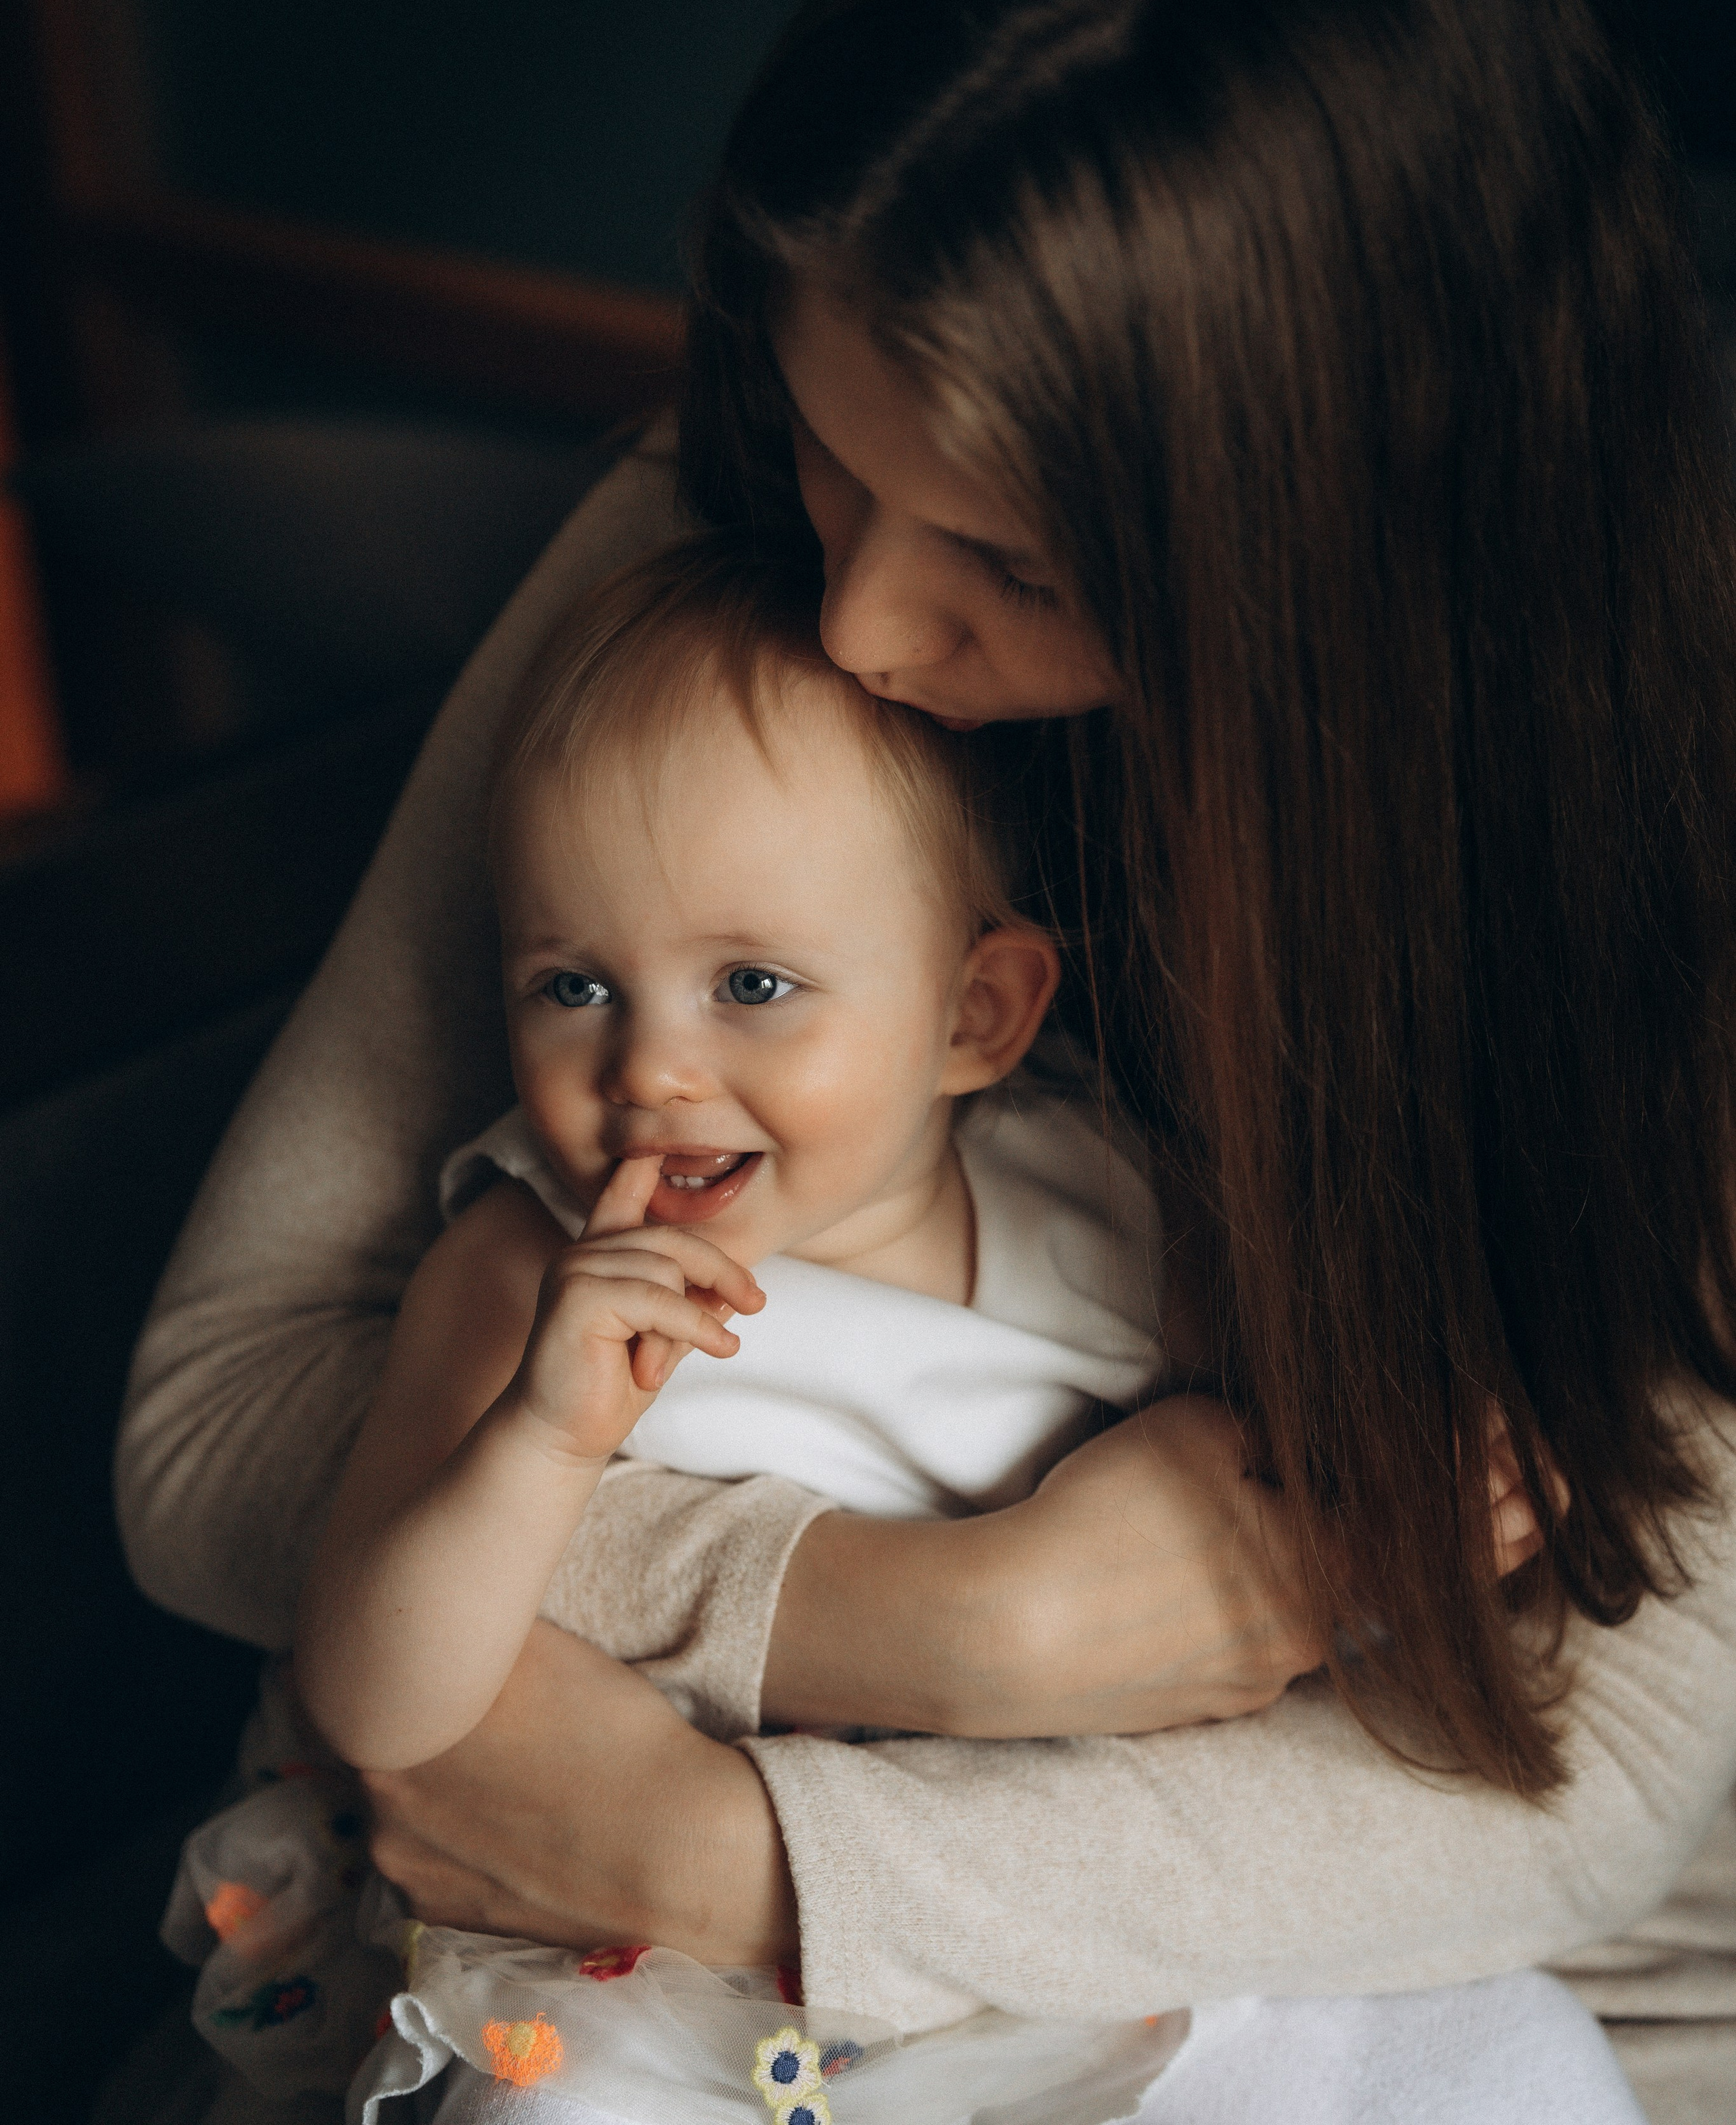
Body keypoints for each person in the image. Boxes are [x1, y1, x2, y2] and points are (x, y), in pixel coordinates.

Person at [118, 0, 1736, 2125]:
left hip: (1449, 1969)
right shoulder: (725, 574)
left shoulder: (1653, 838)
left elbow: (1589, 1785)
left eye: (1018, 566)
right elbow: (216, 1422)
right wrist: (933, 1630)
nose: (860, 618)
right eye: (829, 458)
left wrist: (720, 1833)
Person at [163, 535, 1637, 2125]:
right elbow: (376, 1702)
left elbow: (1278, 1518)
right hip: (648, 1980)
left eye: (749, 982)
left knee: (1501, 2064)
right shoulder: (528, 1268)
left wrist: (1422, 1498)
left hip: (1019, 1922)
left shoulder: (1113, 1207)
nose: (649, 1068)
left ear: (972, 1016)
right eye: (573, 987)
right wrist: (539, 1444)